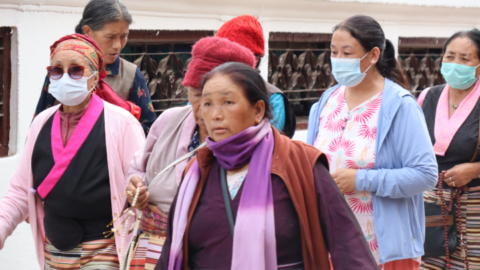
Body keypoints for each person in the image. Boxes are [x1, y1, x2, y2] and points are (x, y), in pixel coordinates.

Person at [156, 62, 378, 270]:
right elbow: (170, 254)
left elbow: (348, 244)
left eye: (228, 102)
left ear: (258, 111)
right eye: (207, 103)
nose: (215, 115)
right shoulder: (196, 172)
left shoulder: (300, 163)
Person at [0, 34, 145, 269]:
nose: (65, 77)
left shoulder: (121, 123)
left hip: (105, 249)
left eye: (76, 70)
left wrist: (138, 191)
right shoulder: (41, 123)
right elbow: (20, 190)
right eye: (56, 70)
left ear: (94, 78)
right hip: (54, 248)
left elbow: (141, 181)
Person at [307, 15, 438, 269]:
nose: (338, 60)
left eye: (347, 52)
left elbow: (425, 174)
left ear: (374, 55)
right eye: (334, 52)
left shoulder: (400, 105)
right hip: (330, 243)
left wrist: (360, 180)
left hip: (383, 250)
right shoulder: (326, 101)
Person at [124, 37, 259, 269]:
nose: (204, 108)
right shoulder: (168, 121)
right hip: (153, 250)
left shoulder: (256, 146)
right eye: (196, 94)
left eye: (223, 100)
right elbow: (139, 168)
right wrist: (136, 187)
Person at [35, 0, 156, 134]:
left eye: (124, 36)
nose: (118, 45)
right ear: (87, 31)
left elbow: (149, 129)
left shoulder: (131, 75)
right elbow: (39, 125)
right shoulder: (61, 72)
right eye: (110, 37)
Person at [418, 29, 480, 270]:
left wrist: (475, 170)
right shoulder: (426, 98)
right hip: (430, 205)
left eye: (465, 59)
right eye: (450, 56)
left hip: (473, 207)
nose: (456, 64)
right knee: (429, 264)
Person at [216, 15, 297, 138]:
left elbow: (269, 144)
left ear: (255, 59)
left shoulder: (272, 98)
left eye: (229, 57)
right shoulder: (205, 90)